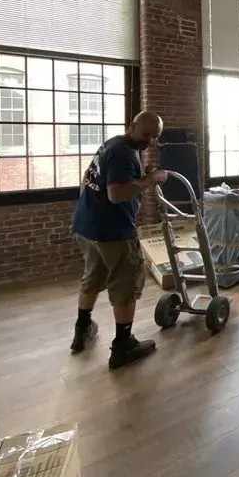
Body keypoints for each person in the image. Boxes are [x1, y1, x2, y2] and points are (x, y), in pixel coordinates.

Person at [69, 111, 168, 369]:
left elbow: (91, 180)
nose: (150, 141)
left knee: (93, 275)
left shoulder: (112, 144)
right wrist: (151, 179)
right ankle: (123, 346)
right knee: (126, 282)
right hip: (113, 231)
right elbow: (115, 194)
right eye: (146, 134)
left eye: (155, 137)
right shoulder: (124, 152)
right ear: (131, 126)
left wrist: (142, 175)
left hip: (87, 226)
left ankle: (82, 329)